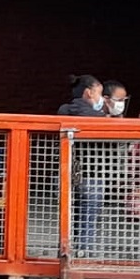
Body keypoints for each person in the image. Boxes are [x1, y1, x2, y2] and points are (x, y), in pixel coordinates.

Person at [57, 75, 108, 257]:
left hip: (66, 172)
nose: (101, 99)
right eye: (99, 94)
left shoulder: (64, 110)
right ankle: (85, 256)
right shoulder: (100, 117)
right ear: (89, 92)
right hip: (92, 173)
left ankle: (64, 255)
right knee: (89, 219)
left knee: (67, 218)